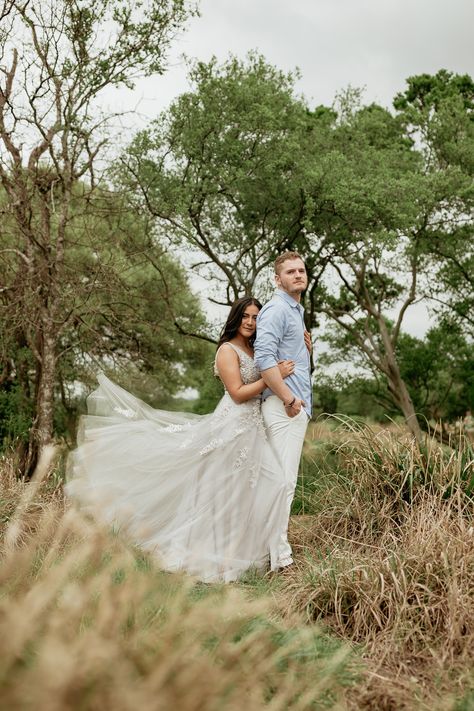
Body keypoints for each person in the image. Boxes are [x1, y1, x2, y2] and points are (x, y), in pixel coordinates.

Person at [66, 296, 296, 583]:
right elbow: (237, 393)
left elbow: (281, 363)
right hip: (232, 426)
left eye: (255, 317)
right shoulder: (227, 350)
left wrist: (301, 350)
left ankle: (256, 553)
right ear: (236, 318)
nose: (250, 322)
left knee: (263, 488)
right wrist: (273, 378)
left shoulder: (255, 347)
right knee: (227, 493)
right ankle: (219, 557)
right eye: (246, 316)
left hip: (253, 428)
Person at [254, 252, 312, 568]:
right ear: (278, 279)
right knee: (283, 482)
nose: (298, 275)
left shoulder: (294, 310)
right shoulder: (277, 309)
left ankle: (269, 553)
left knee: (282, 480)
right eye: (290, 271)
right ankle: (281, 559)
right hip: (284, 406)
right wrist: (290, 399)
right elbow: (264, 359)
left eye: (301, 270)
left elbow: (282, 355)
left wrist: (306, 353)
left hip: (291, 404)